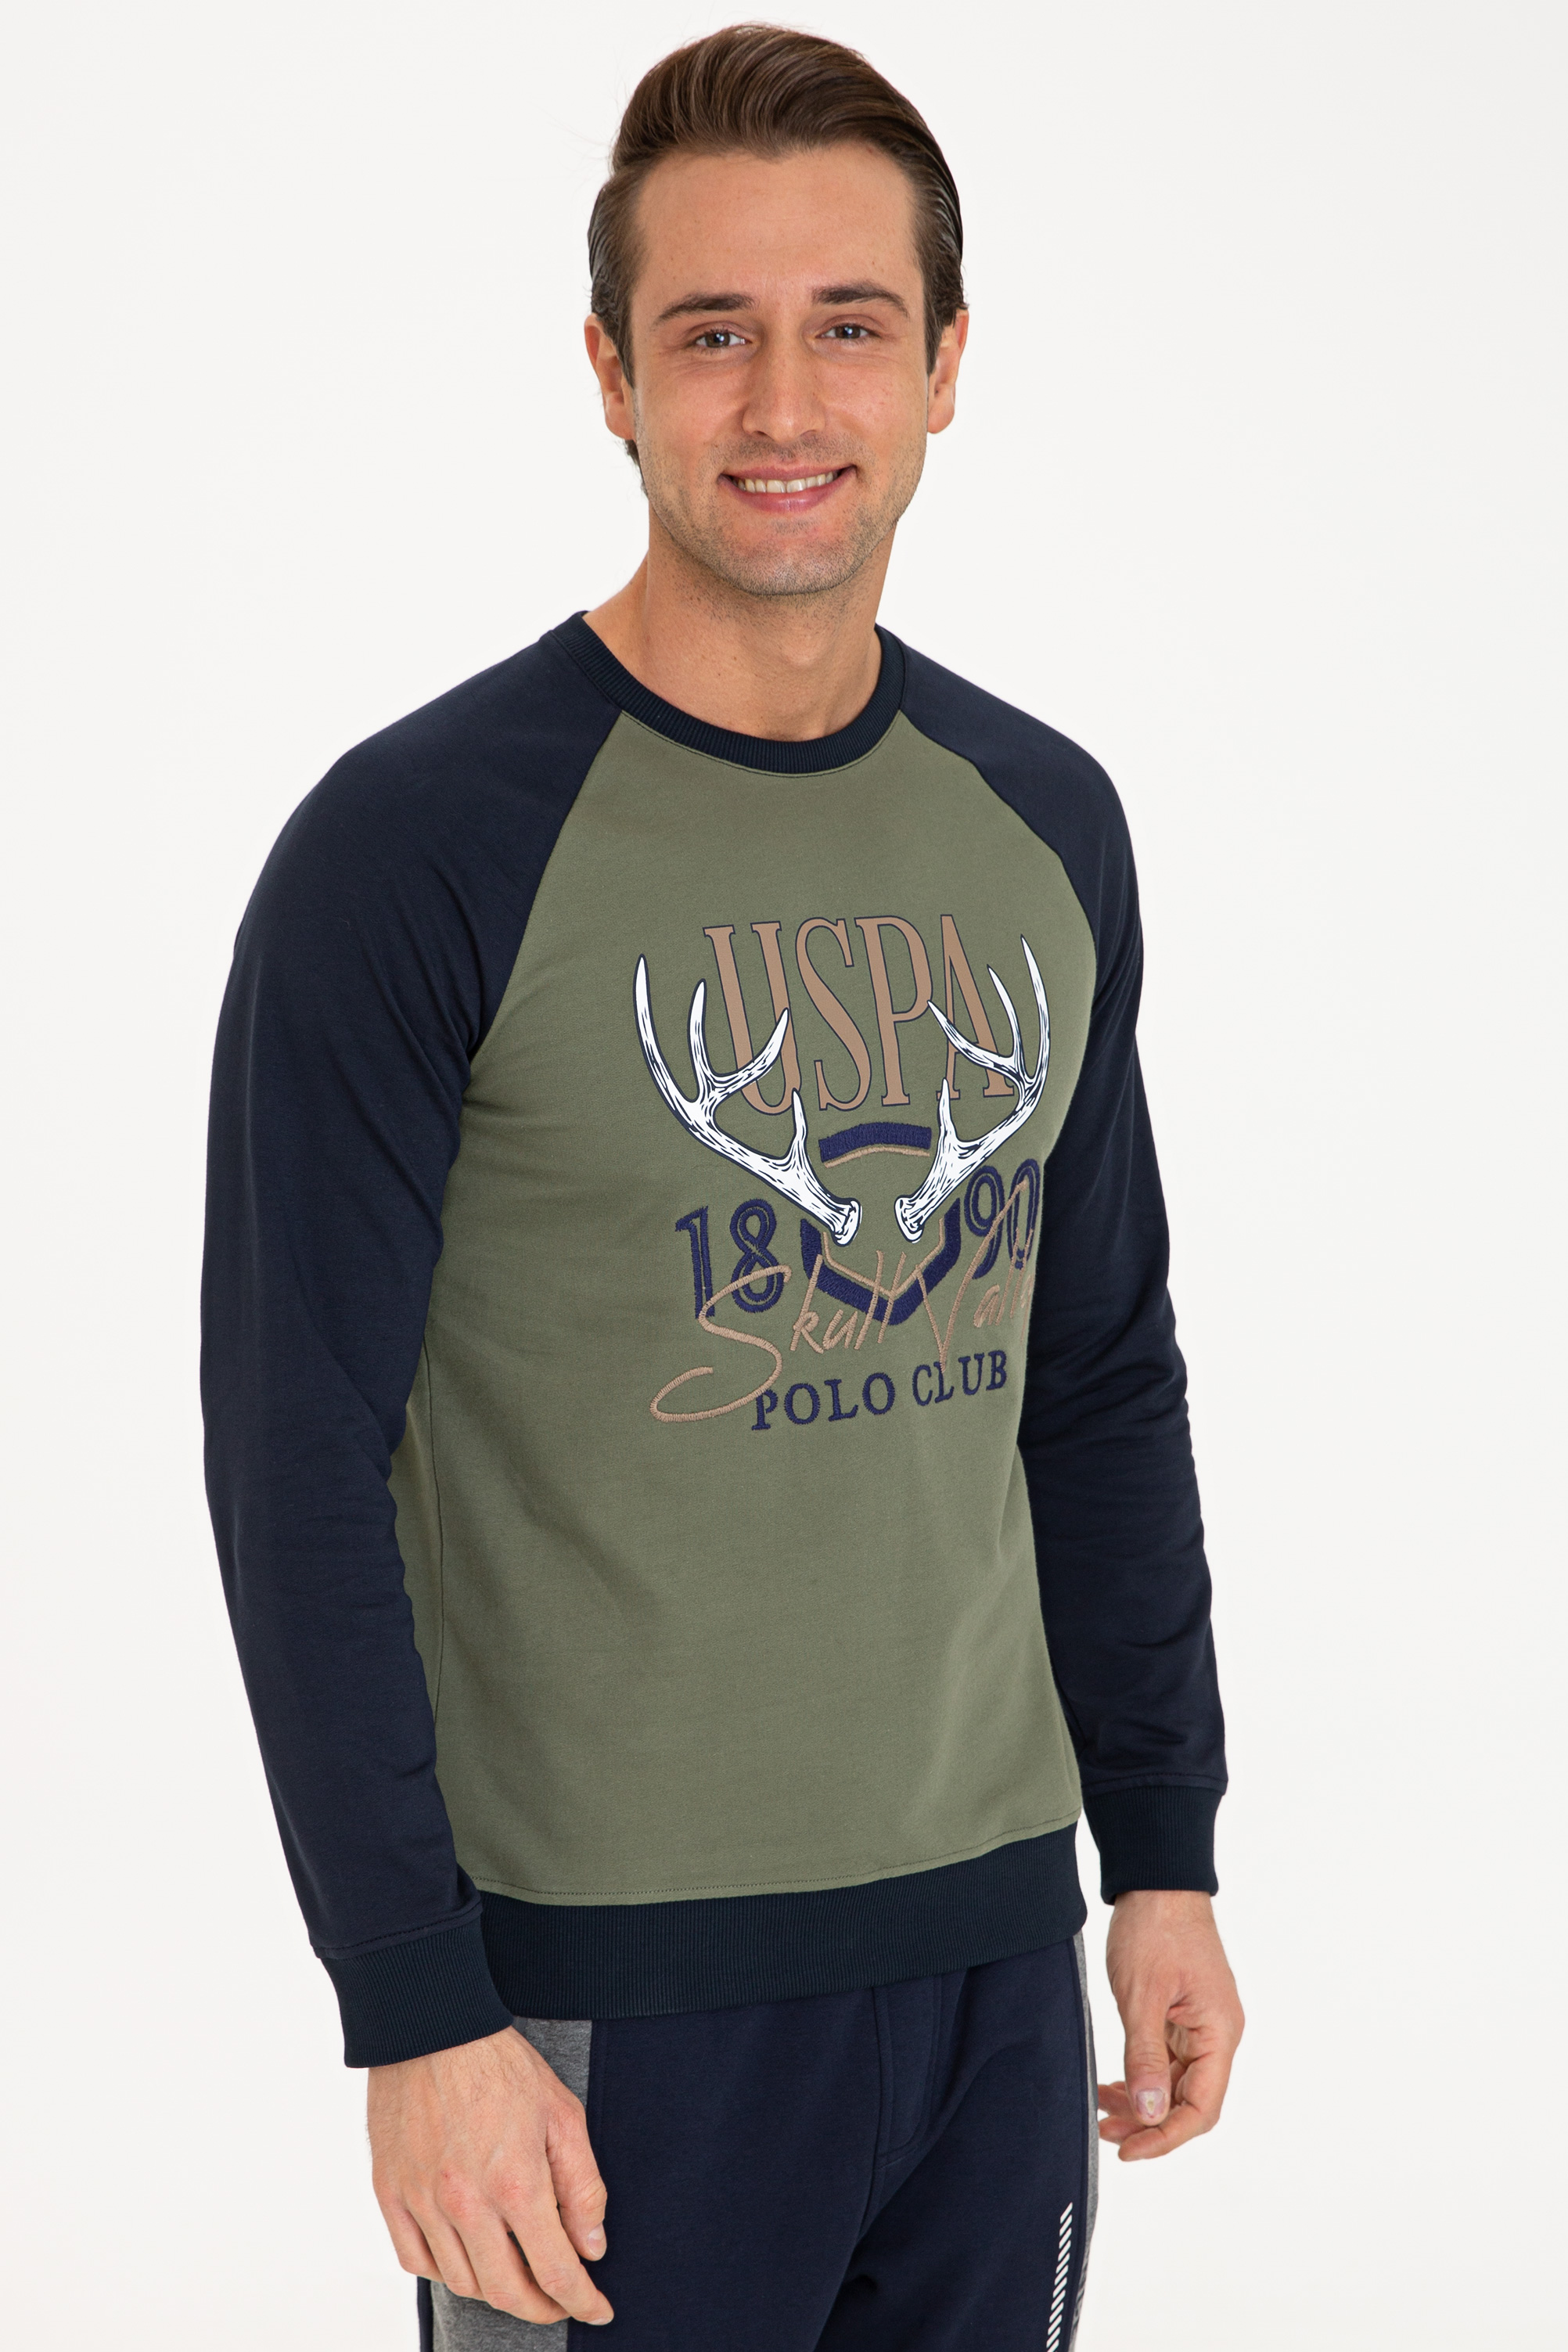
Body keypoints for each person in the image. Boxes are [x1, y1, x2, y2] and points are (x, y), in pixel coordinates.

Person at [202, 23, 1243, 2350]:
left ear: (944, 363)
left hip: (992, 1969)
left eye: (849, 325)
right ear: (611, 376)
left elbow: (1095, 1373)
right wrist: (413, 2008)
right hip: (594, 2014)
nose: (785, 403)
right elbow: (294, 1463)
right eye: (710, 334)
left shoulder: (1042, 821)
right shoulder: (415, 849)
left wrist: (1159, 1854)